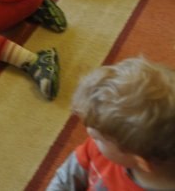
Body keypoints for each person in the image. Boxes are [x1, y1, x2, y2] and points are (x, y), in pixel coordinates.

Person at [47, 57, 175, 191]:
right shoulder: (110, 143)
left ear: (141, 162)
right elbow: (68, 177)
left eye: (98, 138)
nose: (90, 135)